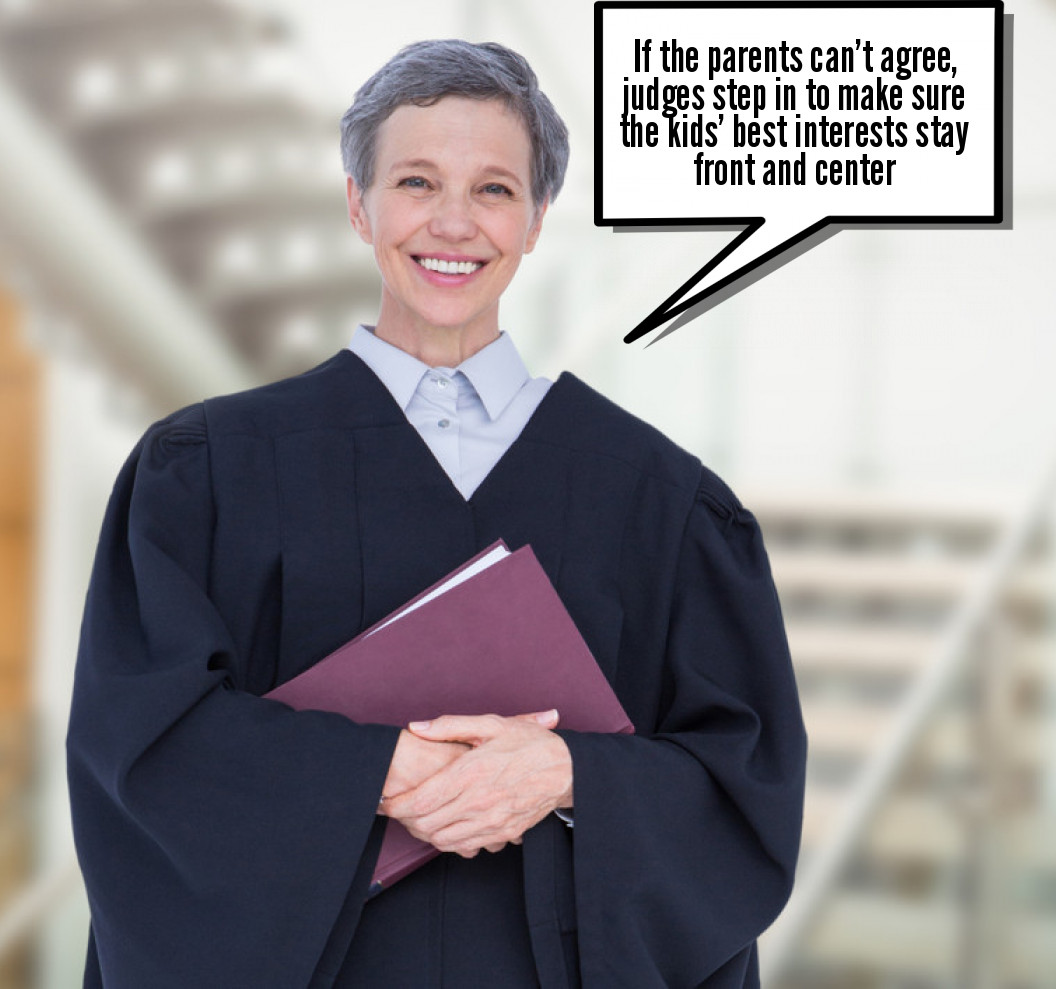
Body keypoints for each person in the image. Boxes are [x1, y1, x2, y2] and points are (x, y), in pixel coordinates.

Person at [68, 39, 805, 987]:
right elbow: (141, 742)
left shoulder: (662, 502)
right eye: (416, 181)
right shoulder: (204, 473)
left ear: (537, 218)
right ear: (356, 204)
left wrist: (569, 775)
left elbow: (746, 785)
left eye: (494, 189)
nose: (453, 223)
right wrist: (372, 772)